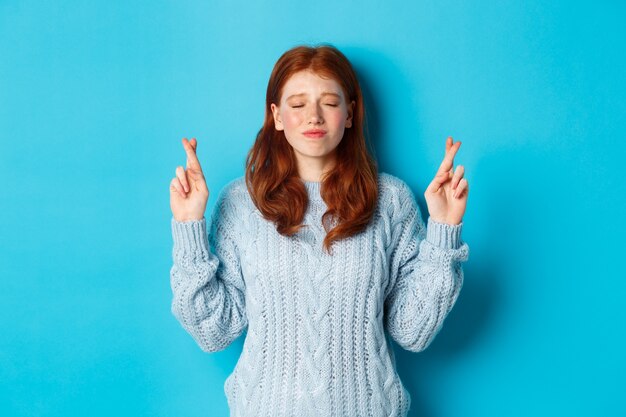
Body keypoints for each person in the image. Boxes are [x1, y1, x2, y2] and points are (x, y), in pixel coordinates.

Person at [168, 44, 470, 417]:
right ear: (276, 116)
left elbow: (413, 331)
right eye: (297, 104)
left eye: (329, 102)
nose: (313, 116)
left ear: (349, 113)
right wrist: (188, 227)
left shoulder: (390, 200)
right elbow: (213, 332)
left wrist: (443, 229)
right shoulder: (240, 203)